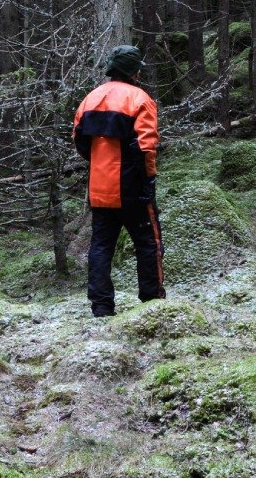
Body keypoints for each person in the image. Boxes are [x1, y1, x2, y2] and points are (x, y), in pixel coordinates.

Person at [72, 45, 164, 317]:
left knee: (101, 245)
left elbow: (78, 139)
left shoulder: (91, 98)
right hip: (132, 186)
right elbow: (146, 146)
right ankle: (152, 301)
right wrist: (148, 180)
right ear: (134, 70)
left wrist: (98, 163)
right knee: (148, 242)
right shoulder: (140, 99)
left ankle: (101, 307)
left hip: (100, 185)